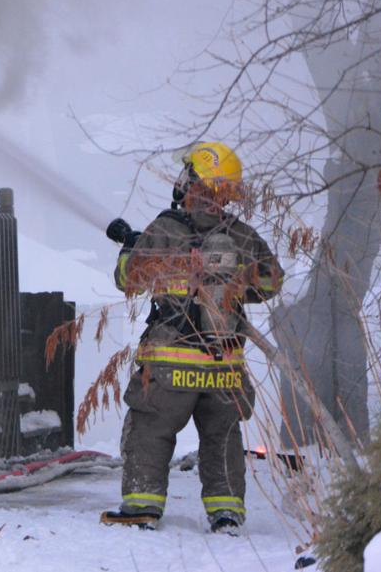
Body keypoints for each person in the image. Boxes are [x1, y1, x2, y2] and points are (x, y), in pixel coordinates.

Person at [101, 141, 282, 534]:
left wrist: (130, 248)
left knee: (150, 428)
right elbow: (271, 281)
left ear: (195, 182)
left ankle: (142, 505)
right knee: (223, 438)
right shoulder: (243, 235)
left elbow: (127, 279)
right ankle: (227, 512)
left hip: (171, 366)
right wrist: (238, 278)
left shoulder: (166, 228)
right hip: (225, 370)